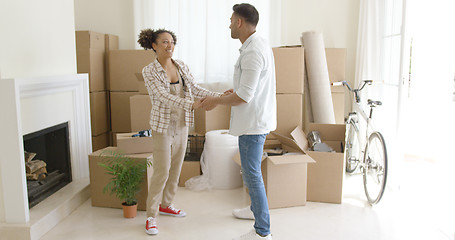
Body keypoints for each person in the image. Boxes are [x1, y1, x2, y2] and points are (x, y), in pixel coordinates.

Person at [199, 3, 276, 240]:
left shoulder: (253, 51)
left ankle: (263, 232)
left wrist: (214, 101)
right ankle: (254, 211)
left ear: (239, 22)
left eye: (231, 20)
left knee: (252, 172)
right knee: (250, 170)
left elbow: (244, 96)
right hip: (255, 119)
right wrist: (236, 89)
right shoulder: (256, 45)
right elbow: (250, 86)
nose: (229, 24)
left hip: (253, 123)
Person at [137, 28, 222, 235]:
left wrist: (220, 96)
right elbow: (162, 96)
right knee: (162, 170)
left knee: (176, 167)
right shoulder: (149, 71)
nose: (170, 46)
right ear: (154, 45)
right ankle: (151, 215)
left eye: (172, 42)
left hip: (182, 123)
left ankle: (167, 204)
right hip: (162, 126)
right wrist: (191, 104)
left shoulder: (181, 66)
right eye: (164, 42)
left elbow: (195, 88)